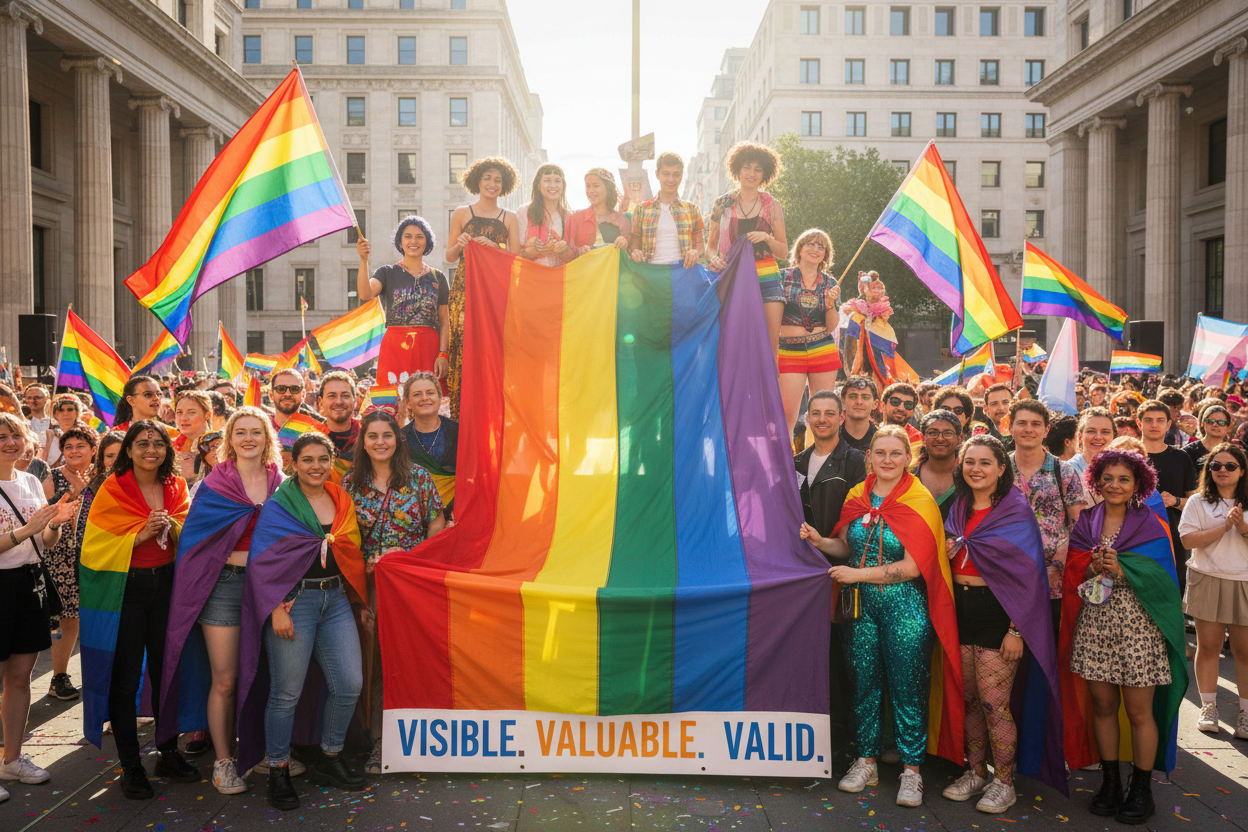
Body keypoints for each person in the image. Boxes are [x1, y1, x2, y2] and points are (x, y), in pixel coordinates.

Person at [801, 426, 963, 808]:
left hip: (904, 605)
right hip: (861, 608)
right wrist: (821, 541)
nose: (887, 460)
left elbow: (912, 567)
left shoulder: (920, 500)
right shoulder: (857, 494)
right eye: (880, 453)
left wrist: (857, 575)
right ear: (869, 456)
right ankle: (866, 761)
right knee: (863, 684)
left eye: (895, 453)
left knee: (909, 688)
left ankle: (912, 771)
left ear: (908, 457)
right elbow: (846, 545)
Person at [235, 432, 368, 811]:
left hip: (335, 598)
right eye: (307, 459)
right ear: (294, 464)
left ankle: (330, 757)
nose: (316, 466)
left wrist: (358, 597)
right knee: (286, 692)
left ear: (331, 461)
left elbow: (350, 546)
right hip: (295, 603)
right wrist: (276, 607)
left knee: (348, 684)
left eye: (322, 459)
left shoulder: (340, 498)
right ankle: (277, 769)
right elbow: (263, 559)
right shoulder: (280, 505)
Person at [157, 408, 285, 795]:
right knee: (226, 679)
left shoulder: (280, 482)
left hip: (269, 589)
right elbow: (199, 545)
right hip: (225, 588)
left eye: (256, 432)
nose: (249, 439)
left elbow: (292, 536)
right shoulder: (214, 485)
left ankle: (266, 751)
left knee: (271, 674)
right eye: (241, 432)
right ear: (230, 439)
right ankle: (224, 762)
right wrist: (255, 558)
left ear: (267, 439)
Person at [1062, 450, 1187, 824]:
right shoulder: (1085, 521)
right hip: (1096, 624)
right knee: (1102, 706)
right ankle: (1112, 782)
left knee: (1138, 711)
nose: (1114, 485)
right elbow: (1074, 572)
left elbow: (1164, 581)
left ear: (1138, 485)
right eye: (1108, 478)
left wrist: (1125, 571)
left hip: (1140, 627)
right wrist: (1091, 565)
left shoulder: (1151, 523)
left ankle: (1142, 788)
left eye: (1124, 479)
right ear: (1096, 481)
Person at [942, 436, 1065, 813]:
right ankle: (976, 772)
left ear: (1000, 468)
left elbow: (1027, 576)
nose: (975, 469)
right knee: (971, 700)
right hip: (962, 610)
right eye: (969, 462)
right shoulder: (959, 506)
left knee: (996, 704)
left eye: (984, 462)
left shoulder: (1014, 509)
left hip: (1000, 612)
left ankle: (1004, 782)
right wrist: (947, 549)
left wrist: (1016, 630)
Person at [79, 420, 201, 799]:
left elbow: (189, 530)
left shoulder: (176, 486)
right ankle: (130, 765)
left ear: (168, 450)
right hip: (126, 591)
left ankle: (167, 751)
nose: (151, 449)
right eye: (142, 443)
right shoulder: (112, 489)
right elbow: (94, 549)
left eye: (159, 443)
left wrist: (174, 529)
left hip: (168, 587)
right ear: (128, 450)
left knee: (168, 672)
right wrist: (139, 536)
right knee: (127, 678)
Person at [345, 411, 445, 774]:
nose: (381, 442)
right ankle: (377, 743)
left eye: (387, 435)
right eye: (373, 436)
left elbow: (436, 527)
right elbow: (341, 537)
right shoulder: (350, 483)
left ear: (397, 440)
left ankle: (419, 741)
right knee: (371, 663)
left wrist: (410, 559)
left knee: (409, 660)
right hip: (367, 587)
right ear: (364, 441)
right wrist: (364, 564)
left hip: (410, 589)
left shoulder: (418, 478)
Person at [0, 413, 78, 796]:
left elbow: (42, 543)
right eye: (1, 436)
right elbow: (22, 534)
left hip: (29, 584)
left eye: (14, 434)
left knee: (20, 677)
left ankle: (12, 760)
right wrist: (25, 530)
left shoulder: (30, 480)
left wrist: (55, 523)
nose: (9, 442)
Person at [794, 390, 867, 768]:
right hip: (802, 577)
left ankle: (847, 741)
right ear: (807, 418)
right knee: (812, 657)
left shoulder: (855, 462)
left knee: (845, 660)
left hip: (844, 572)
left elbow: (860, 521)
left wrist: (831, 547)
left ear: (841, 418)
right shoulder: (796, 461)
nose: (821, 419)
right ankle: (819, 736)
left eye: (829, 413)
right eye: (815, 413)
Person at [1178, 442, 1248, 740]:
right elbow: (1187, 540)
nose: (1222, 470)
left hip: (1244, 580)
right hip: (1207, 577)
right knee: (1208, 647)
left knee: (1245, 652)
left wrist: (1242, 527)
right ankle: (1209, 708)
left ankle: (1245, 714)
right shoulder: (1197, 502)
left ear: (1242, 470)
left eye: (1230, 466)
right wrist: (1223, 529)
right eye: (1215, 465)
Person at [446, 157, 522, 419]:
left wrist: (495, 247)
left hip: (495, 294)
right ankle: (461, 415)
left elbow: (517, 260)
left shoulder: (510, 218)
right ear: (477, 180)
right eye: (488, 178)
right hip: (465, 292)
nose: (492, 183)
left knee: (492, 349)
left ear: (505, 186)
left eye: (498, 180)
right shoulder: (461, 213)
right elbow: (449, 256)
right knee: (463, 347)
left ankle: (492, 413)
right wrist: (460, 244)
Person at [1009, 399, 1089, 637]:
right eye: (1021, 423)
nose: (1028, 429)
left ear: (1046, 430)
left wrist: (1056, 567)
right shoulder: (998, 468)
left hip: (1053, 582)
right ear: (1010, 427)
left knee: (1050, 649)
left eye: (1036, 424)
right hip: (1007, 576)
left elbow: (1079, 524)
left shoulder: (1063, 470)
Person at [706, 141, 789, 353]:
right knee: (734, 342)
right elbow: (710, 247)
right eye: (747, 167)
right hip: (732, 276)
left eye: (758, 169)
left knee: (770, 346)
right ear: (737, 169)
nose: (752, 173)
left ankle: (771, 387)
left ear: (765, 174)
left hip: (767, 278)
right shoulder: (721, 203)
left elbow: (783, 252)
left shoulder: (772, 205)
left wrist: (767, 238)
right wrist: (712, 259)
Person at [356, 216, 451, 389]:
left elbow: (445, 322)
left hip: (429, 349)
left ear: (427, 242)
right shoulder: (386, 273)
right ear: (400, 242)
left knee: (429, 400)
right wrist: (363, 261)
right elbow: (365, 293)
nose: (413, 241)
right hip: (395, 348)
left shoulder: (439, 277)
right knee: (393, 403)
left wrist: (443, 354)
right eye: (408, 236)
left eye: (419, 236)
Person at [41, 426, 98, 700]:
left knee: (92, 616)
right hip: (60, 556)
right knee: (66, 618)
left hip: (96, 554)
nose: (74, 451)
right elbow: (42, 516)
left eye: (80, 446)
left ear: (93, 449)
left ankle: (100, 678)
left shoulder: (103, 478)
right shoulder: (52, 478)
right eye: (68, 447)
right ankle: (59, 676)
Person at [778, 230, 842, 435]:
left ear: (826, 254)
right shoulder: (782, 277)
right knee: (787, 414)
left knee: (821, 414)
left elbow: (831, 326)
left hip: (821, 347)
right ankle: (785, 465)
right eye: (810, 244)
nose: (815, 249)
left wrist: (830, 304)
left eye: (820, 246)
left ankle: (820, 464)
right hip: (789, 349)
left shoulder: (830, 283)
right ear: (800, 248)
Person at [1138, 399, 1198, 598]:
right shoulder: (1129, 456)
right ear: (1139, 423)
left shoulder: (1181, 458)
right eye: (1148, 420)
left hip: (1173, 541)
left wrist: (1175, 501)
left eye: (1160, 420)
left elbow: (1195, 505)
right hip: (1134, 540)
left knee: (1171, 597)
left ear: (1168, 424)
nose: (1154, 425)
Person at [628, 152, 704, 269]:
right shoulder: (641, 209)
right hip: (650, 274)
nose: (671, 179)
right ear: (657, 174)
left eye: (676, 174)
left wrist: (696, 252)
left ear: (681, 176)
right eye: (666, 174)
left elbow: (700, 245)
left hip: (682, 275)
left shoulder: (692, 210)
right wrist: (635, 252)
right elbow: (634, 244)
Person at [401, 372, 458, 517]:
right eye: (417, 394)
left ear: (439, 398)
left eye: (430, 393)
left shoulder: (459, 434)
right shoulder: (399, 439)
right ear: (407, 403)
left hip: (455, 515)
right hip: (411, 516)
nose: (425, 398)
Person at [841, 272, 900, 391]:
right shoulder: (857, 304)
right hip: (860, 339)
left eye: (880, 288)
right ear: (865, 289)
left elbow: (885, 319)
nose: (877, 291)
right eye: (874, 288)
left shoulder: (883, 306)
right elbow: (848, 315)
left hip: (878, 339)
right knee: (857, 367)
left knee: (879, 370)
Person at [563, 168, 631, 254]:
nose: (590, 191)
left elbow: (629, 255)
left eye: (596, 186)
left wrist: (624, 243)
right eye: (588, 186)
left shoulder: (622, 220)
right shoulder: (577, 217)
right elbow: (567, 253)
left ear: (608, 189)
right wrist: (578, 251)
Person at [518, 163, 574, 267]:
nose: (553, 185)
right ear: (538, 185)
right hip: (529, 279)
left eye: (557, 181)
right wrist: (530, 252)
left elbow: (574, 259)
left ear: (563, 186)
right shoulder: (524, 212)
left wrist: (565, 250)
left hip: (559, 280)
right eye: (547, 180)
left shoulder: (569, 218)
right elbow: (512, 254)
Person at [913, 409, 962, 520]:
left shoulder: (969, 478)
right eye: (933, 433)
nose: (940, 438)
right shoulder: (909, 476)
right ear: (923, 439)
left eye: (948, 433)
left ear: (959, 439)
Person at [318, 372, 360, 463]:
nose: (339, 402)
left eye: (345, 396)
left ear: (355, 401)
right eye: (332, 396)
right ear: (321, 403)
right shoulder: (312, 439)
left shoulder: (368, 434)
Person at [173, 390, 213, 484]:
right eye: (179, 412)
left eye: (191, 412)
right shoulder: (168, 447)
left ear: (207, 415)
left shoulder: (220, 446)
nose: (184, 418)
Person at [1182, 402, 1233, 470]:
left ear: (1228, 427)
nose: (1215, 425)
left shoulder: (1234, 453)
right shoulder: (1188, 452)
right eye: (1210, 421)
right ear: (1202, 423)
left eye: (1221, 423)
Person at [39, 393, 85, 467]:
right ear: (55, 414)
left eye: (70, 409)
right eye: (61, 410)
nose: (65, 413)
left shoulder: (85, 435)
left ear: (77, 413)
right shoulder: (46, 435)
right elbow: (40, 463)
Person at [1068, 406, 1116, 475]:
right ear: (1079, 437)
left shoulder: (1123, 469)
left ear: (1113, 437)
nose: (1098, 437)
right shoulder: (1068, 471)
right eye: (1091, 431)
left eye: (1105, 432)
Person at [839, 376, 878, 453]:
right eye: (853, 396)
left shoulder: (882, 440)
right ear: (842, 402)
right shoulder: (830, 440)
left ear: (875, 404)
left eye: (865, 397)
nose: (859, 401)